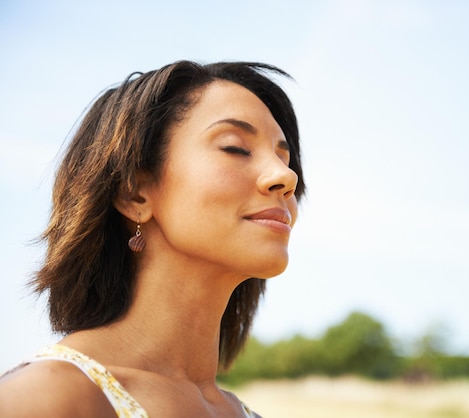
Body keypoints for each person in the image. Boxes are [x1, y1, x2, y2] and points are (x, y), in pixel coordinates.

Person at [0, 60, 305, 417]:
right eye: (235, 147)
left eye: (285, 159)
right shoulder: (47, 398)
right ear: (136, 194)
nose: (285, 176)